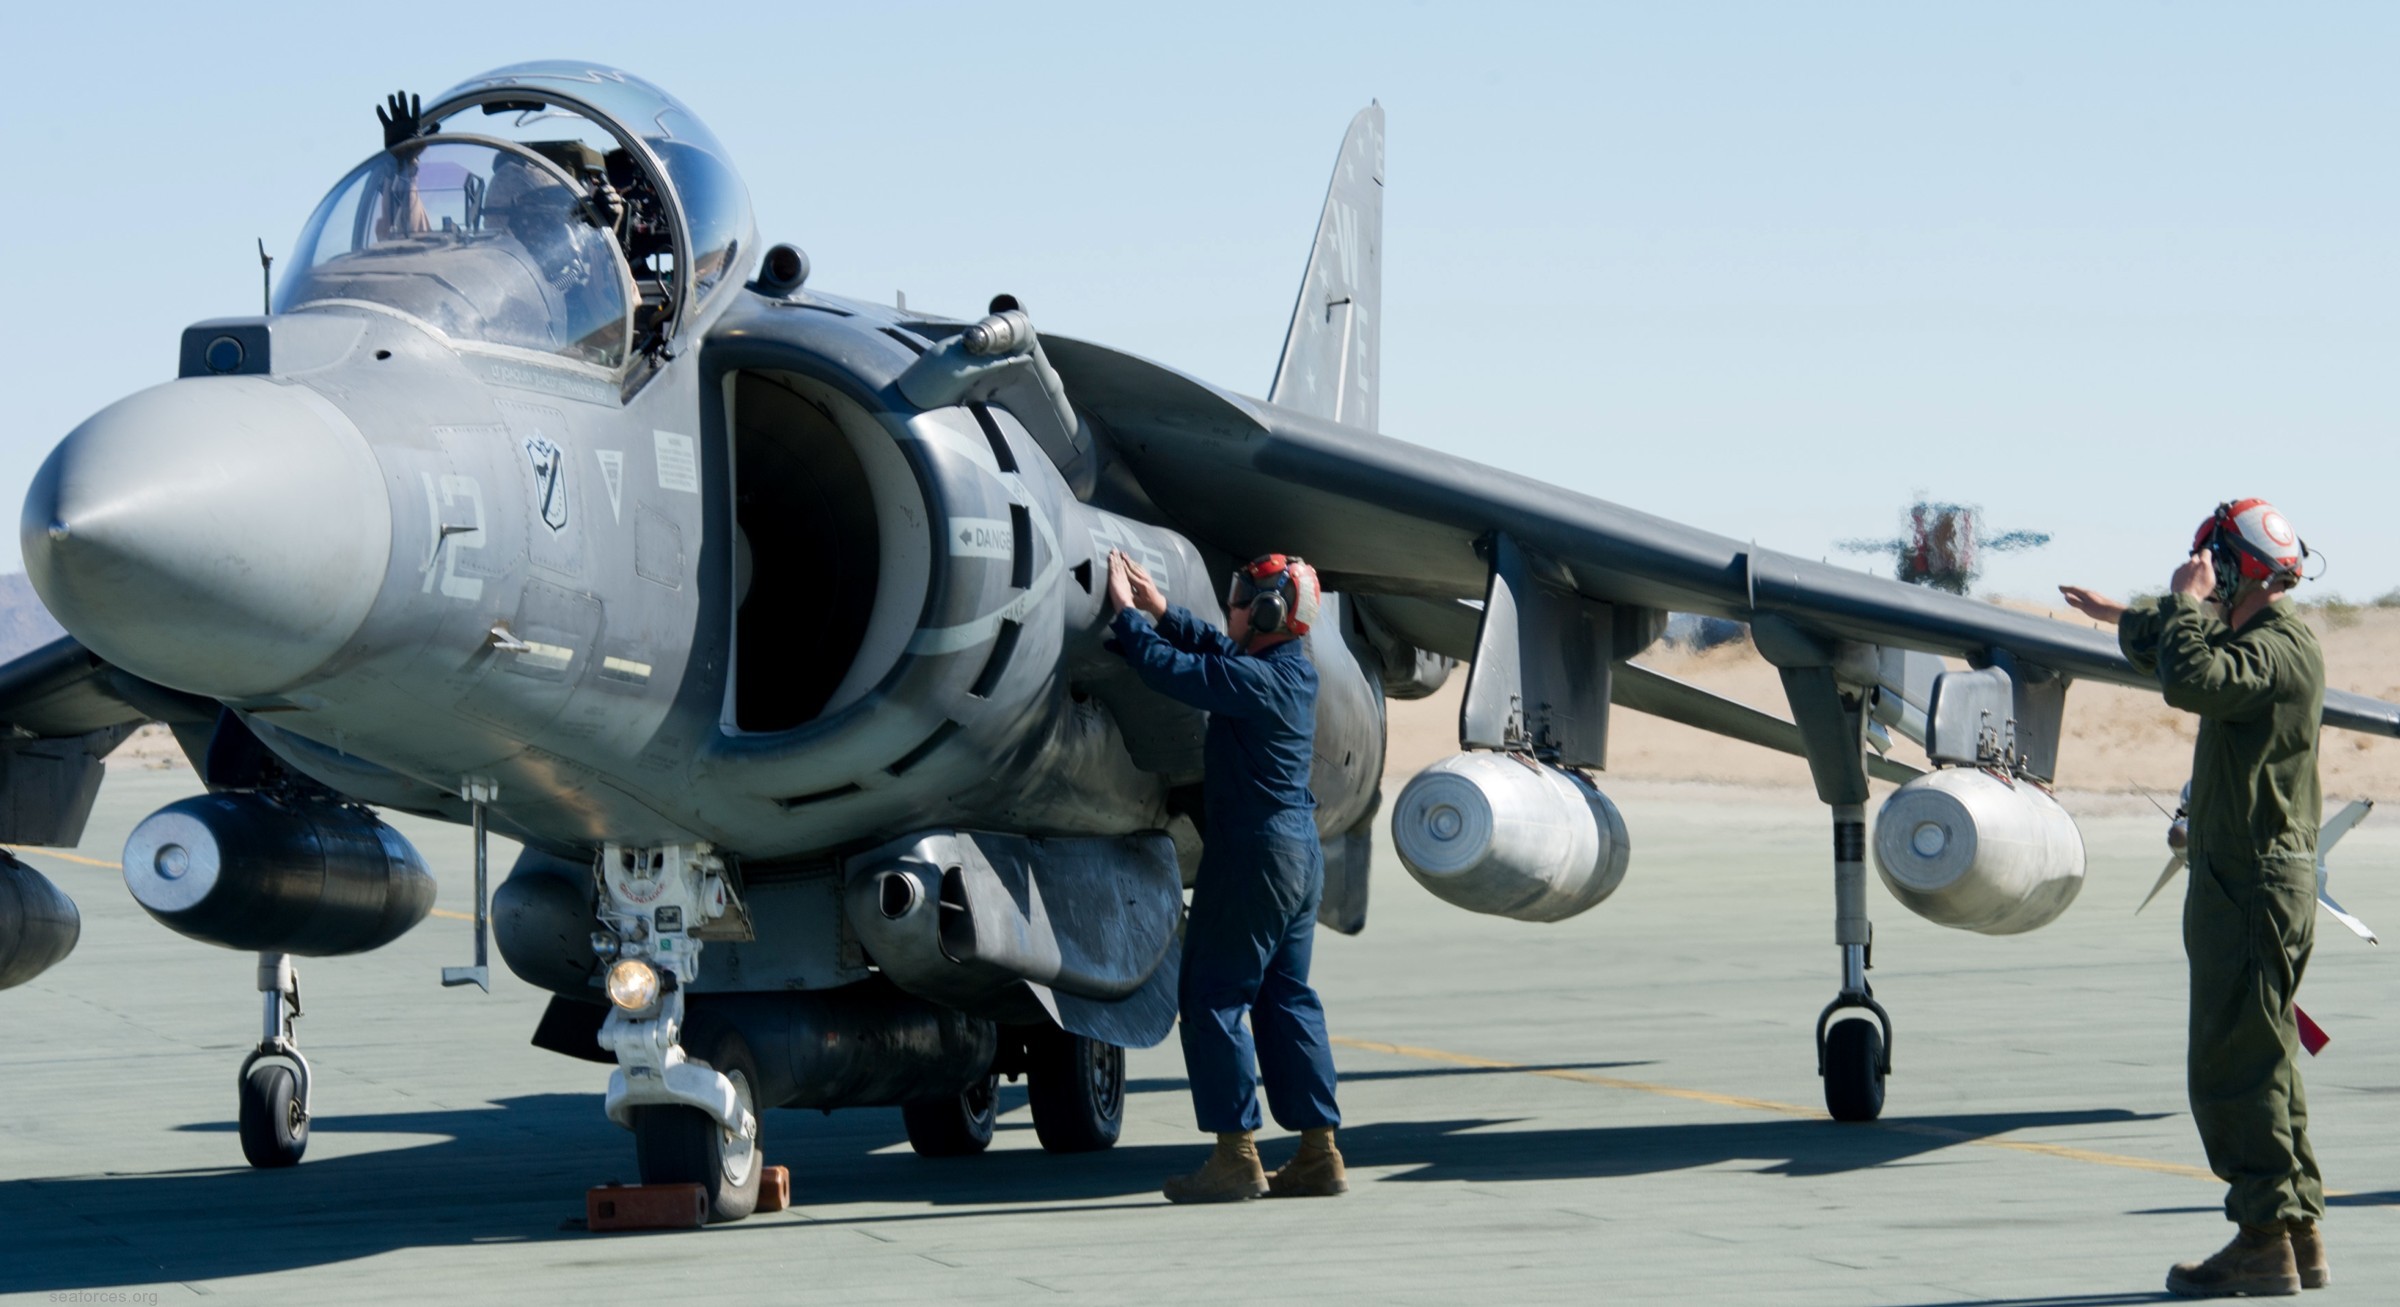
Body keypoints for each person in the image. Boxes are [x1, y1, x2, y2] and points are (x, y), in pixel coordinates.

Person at [2060, 498, 2328, 1298]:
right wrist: (2127, 613)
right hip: (2253, 879)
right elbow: (2185, 649)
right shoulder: (2266, 640)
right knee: (2268, 1057)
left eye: (2214, 565)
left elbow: (2194, 676)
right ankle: (2297, 1228)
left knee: (2231, 1065)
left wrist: (2180, 600)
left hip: (2246, 883)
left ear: (2235, 568)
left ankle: (2259, 1241)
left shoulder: (2276, 652)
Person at [1106, 548, 1346, 1203]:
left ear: (1269, 610)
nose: (1233, 604)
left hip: (1253, 854)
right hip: (1296, 853)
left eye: (1243, 596)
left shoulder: (1259, 681)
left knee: (1213, 997)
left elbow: (1175, 672)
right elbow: (1215, 647)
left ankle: (1236, 1155)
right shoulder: (1284, 669)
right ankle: (1318, 1151)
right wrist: (1163, 609)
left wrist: (1127, 619)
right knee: (1285, 997)